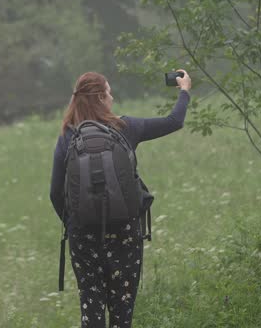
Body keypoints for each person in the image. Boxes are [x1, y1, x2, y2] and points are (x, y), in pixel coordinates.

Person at [49, 70, 192, 328]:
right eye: (109, 91)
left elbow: (54, 193)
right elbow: (174, 121)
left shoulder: (67, 137)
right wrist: (184, 91)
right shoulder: (125, 127)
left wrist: (76, 223)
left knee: (91, 310)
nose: (112, 97)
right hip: (125, 233)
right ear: (101, 97)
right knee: (122, 313)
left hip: (83, 237)